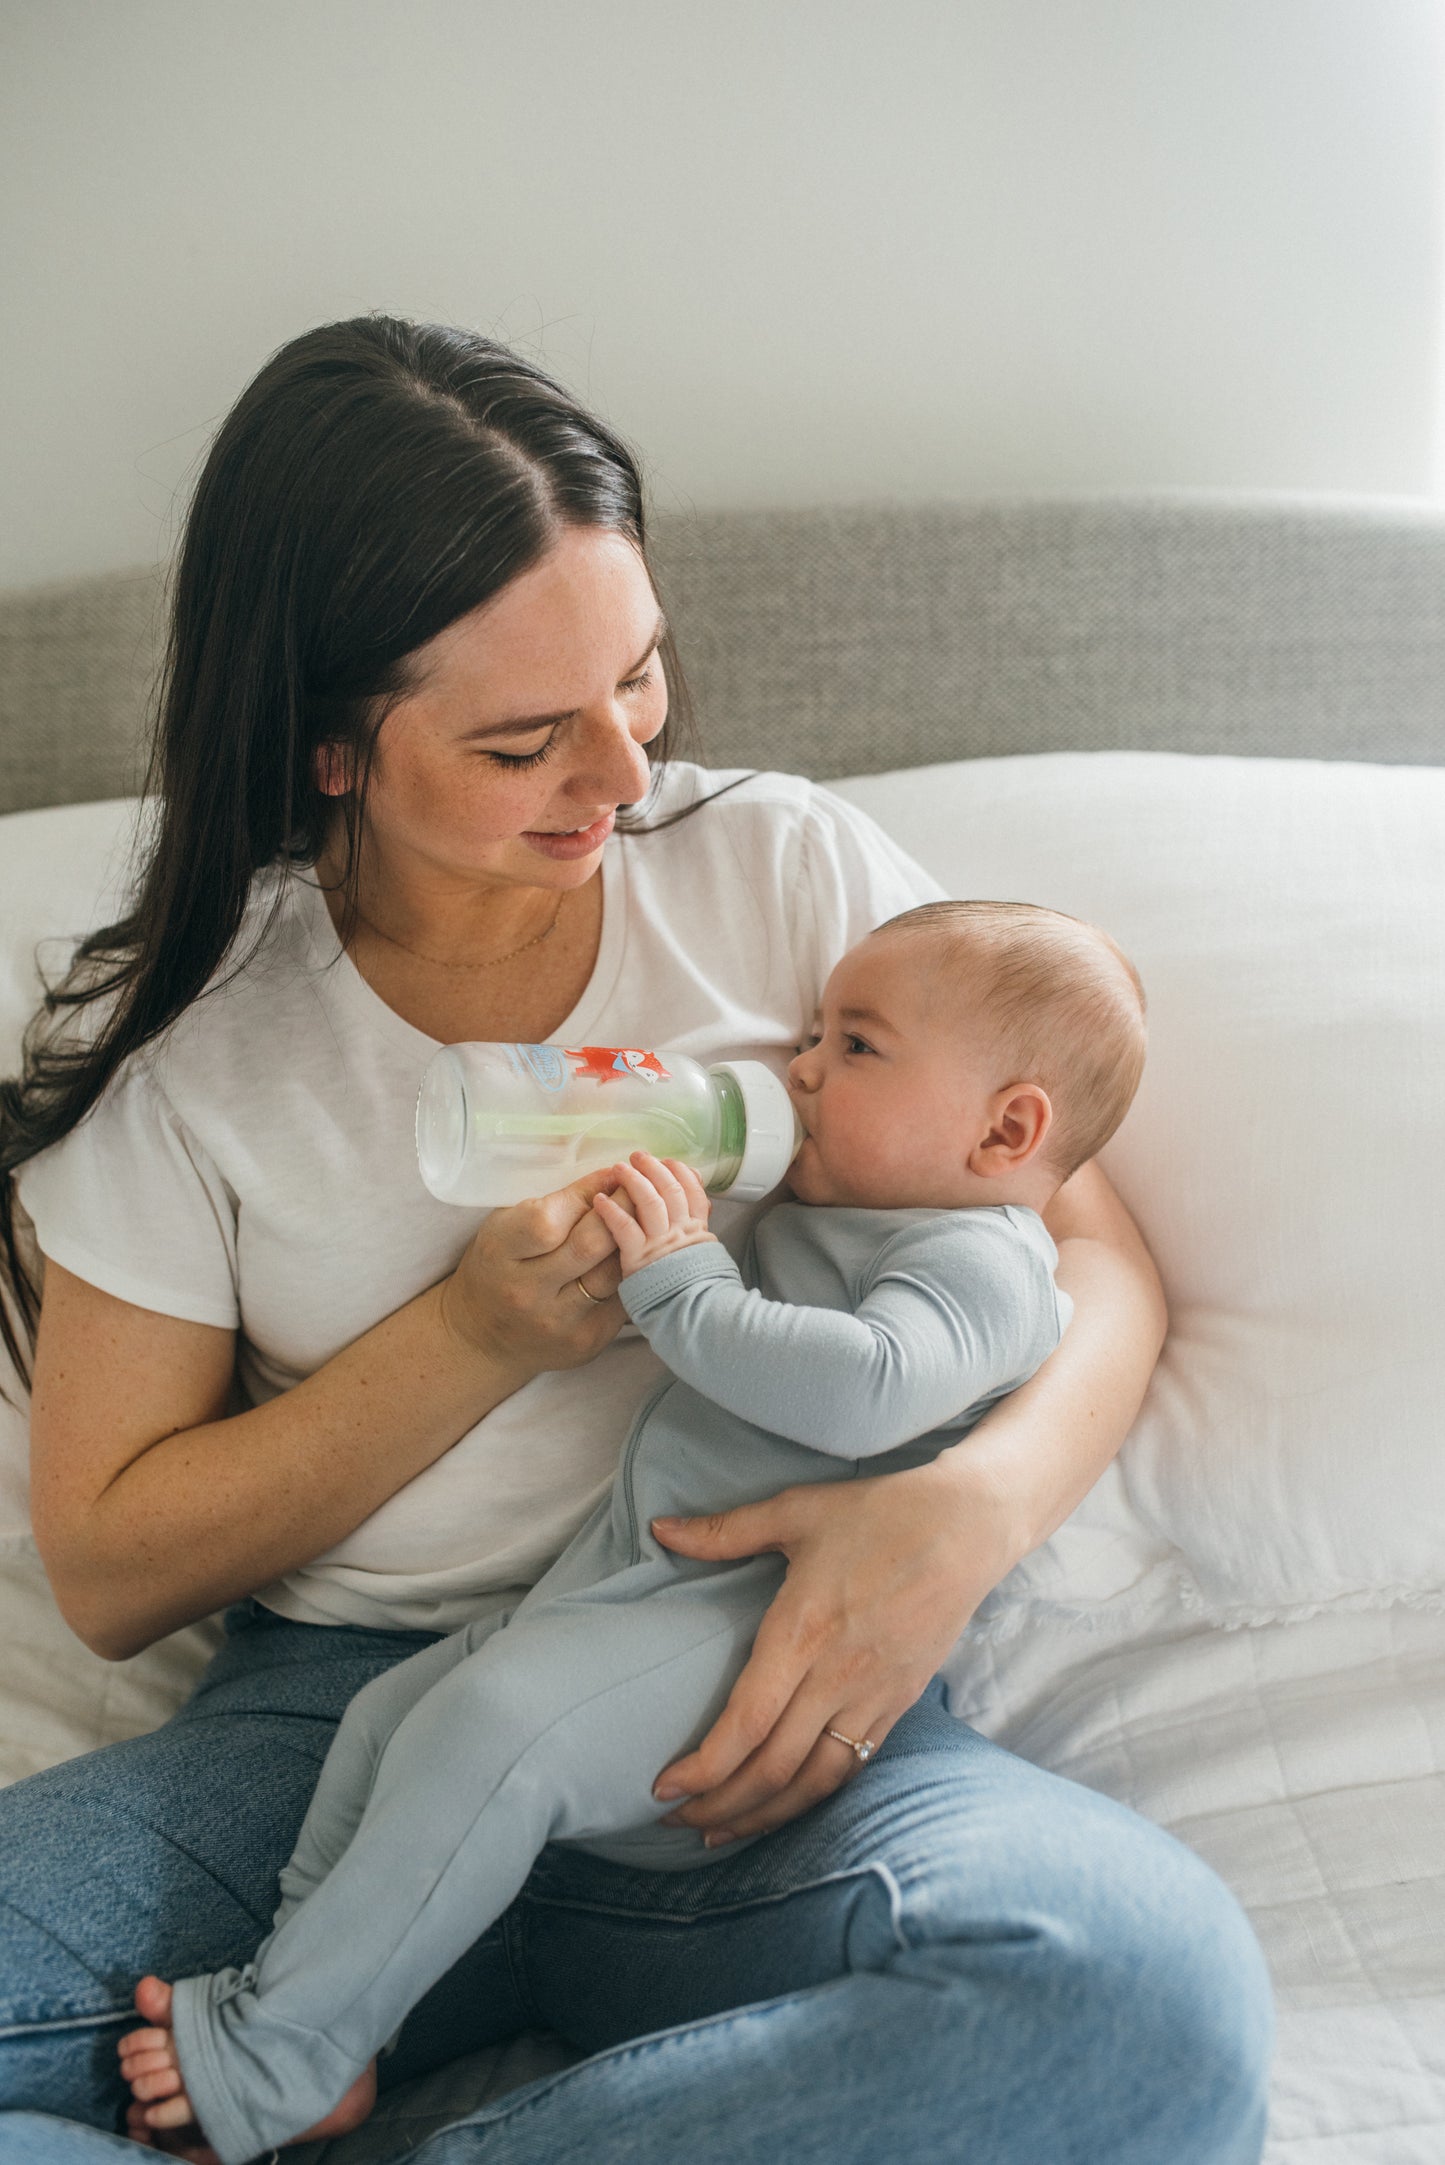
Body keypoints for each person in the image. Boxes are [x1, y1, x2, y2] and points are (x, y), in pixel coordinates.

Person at [0, 316, 1272, 2165]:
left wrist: (960, 1516)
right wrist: (473, 1338)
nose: (620, 775)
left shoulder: (786, 874)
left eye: (643, 682)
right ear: (331, 747)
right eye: (527, 739)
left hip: (762, 1676)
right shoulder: (209, 1050)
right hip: (348, 1742)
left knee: (1142, 2009)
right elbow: (110, 1561)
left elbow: (1095, 1257)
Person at [116, 895, 1138, 2161]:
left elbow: (863, 1383)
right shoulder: (860, 1208)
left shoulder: (983, 1257)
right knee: (392, 1720)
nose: (801, 1069)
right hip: (632, 1583)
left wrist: (680, 1277)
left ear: (1007, 1127)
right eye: (814, 1032)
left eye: (854, 1047)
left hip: (739, 1622)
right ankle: (327, 2016)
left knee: (493, 1730)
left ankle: (279, 2053)